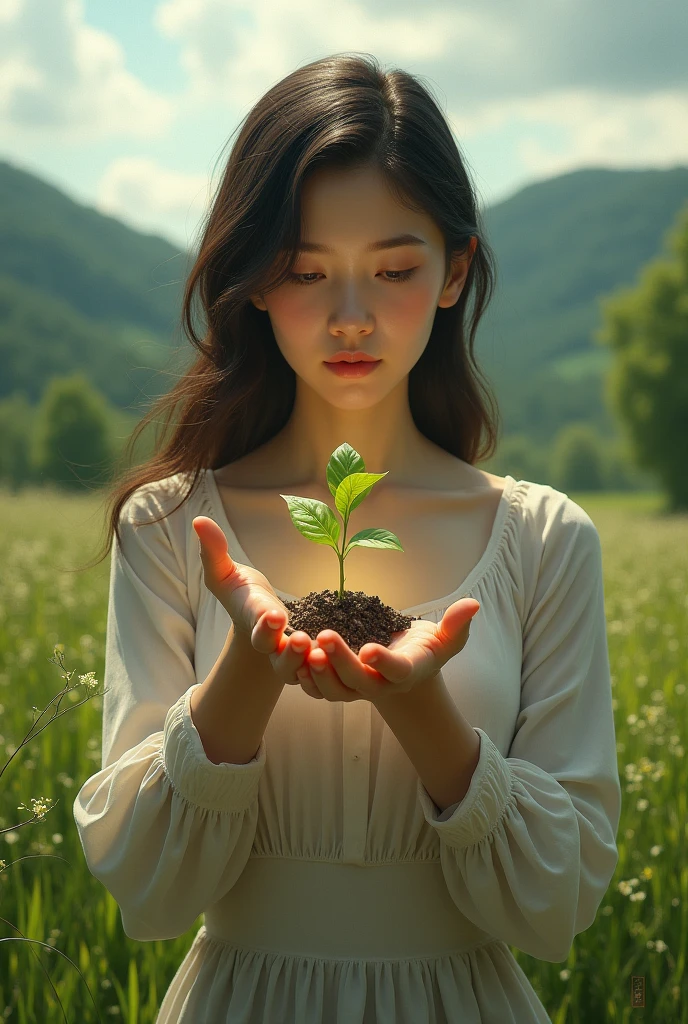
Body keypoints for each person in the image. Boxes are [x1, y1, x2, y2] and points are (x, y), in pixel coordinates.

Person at [73, 52, 621, 1024]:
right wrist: (247, 667)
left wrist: (424, 711)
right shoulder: (170, 531)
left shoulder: (542, 542)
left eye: (395, 269)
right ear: (252, 284)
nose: (350, 316)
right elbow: (147, 892)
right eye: (305, 272)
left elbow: (560, 901)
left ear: (454, 271)